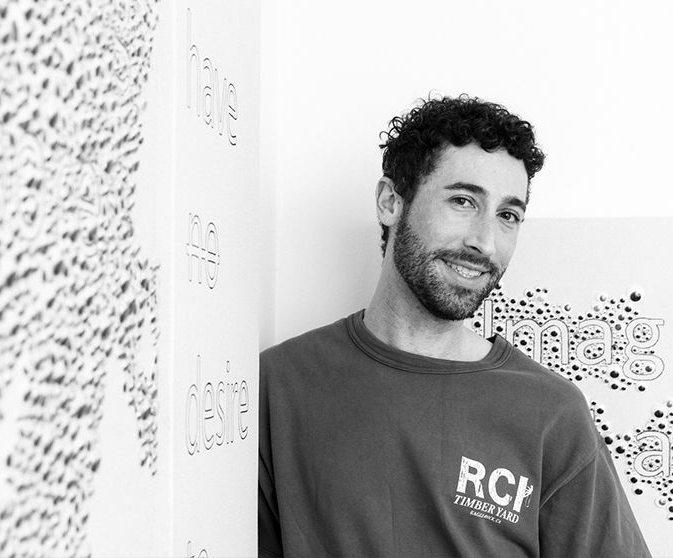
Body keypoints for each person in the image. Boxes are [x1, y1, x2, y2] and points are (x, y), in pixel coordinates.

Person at [257, 95, 652, 557]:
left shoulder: (551, 413)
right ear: (390, 202)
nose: (485, 242)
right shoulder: (281, 385)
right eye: (463, 201)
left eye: (508, 215)